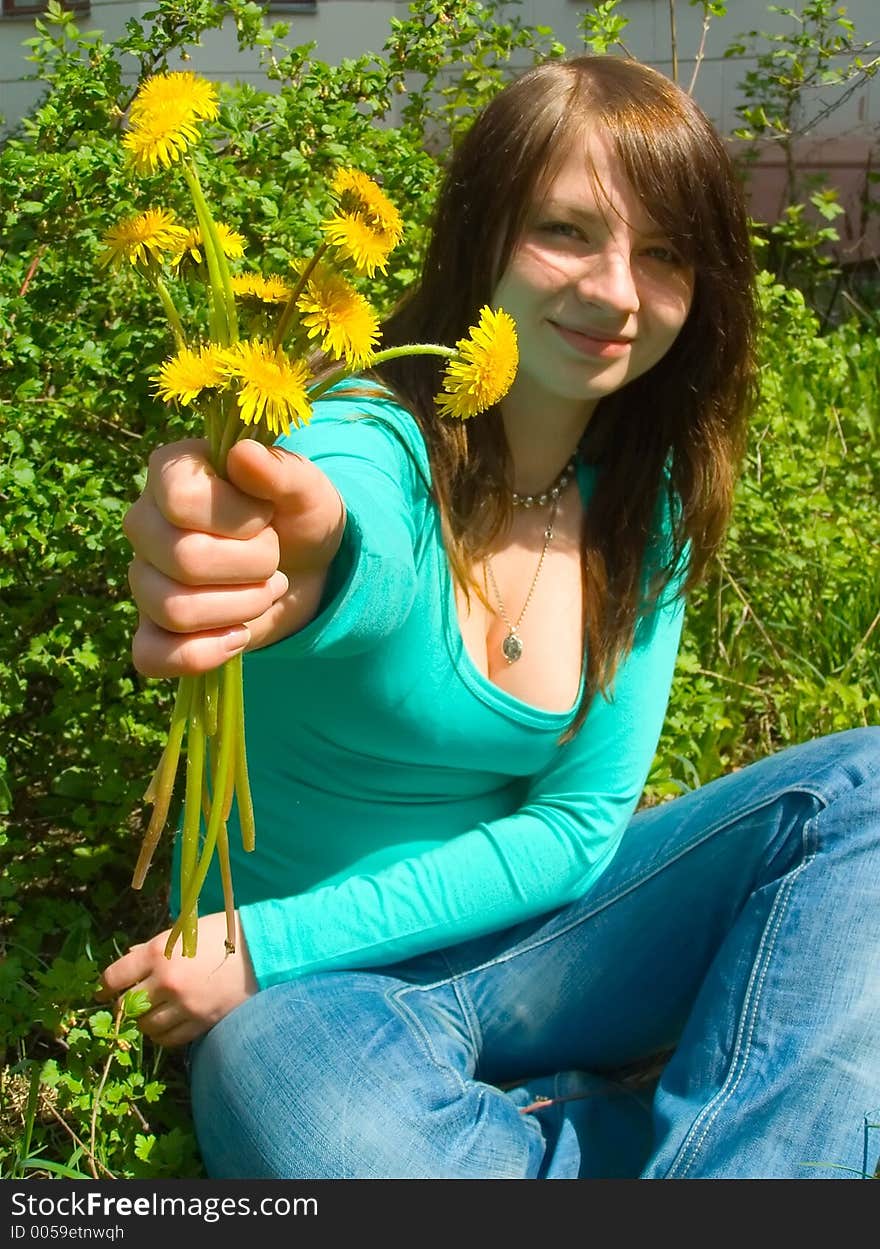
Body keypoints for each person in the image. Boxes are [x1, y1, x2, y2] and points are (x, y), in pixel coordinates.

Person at [99, 55, 880, 1180]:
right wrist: (271, 548)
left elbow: (575, 830)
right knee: (323, 1132)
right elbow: (333, 527)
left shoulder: (644, 495)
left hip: (547, 939)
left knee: (863, 797)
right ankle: (679, 1128)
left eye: (662, 252)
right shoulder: (368, 438)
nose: (616, 292)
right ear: (481, 233)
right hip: (309, 992)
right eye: (566, 231)